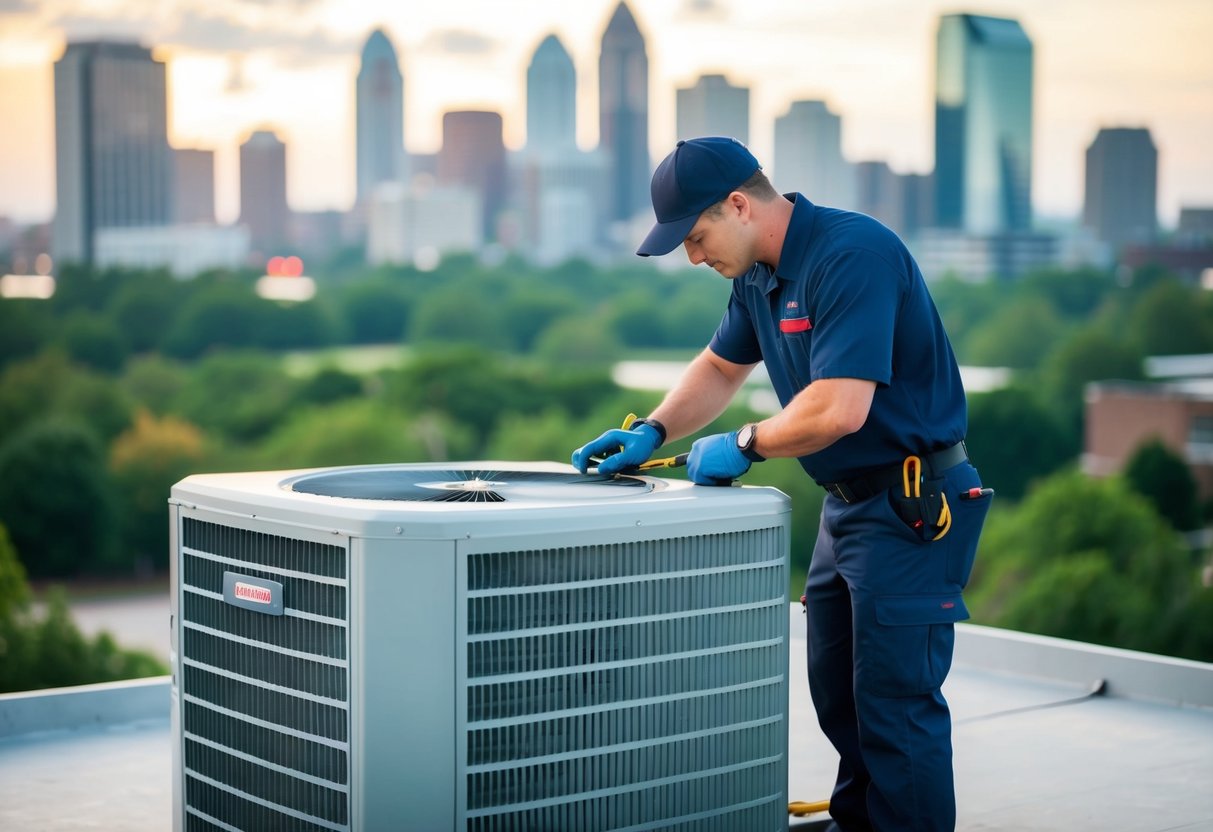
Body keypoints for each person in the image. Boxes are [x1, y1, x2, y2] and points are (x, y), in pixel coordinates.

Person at [571, 136, 992, 832]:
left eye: (697, 236)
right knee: (839, 694)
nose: (694, 256)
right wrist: (651, 430)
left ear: (738, 205)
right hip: (847, 509)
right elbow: (717, 368)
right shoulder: (757, 275)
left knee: (895, 706)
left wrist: (745, 442)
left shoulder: (849, 256)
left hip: (911, 508)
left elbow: (838, 408)